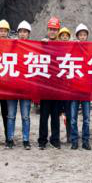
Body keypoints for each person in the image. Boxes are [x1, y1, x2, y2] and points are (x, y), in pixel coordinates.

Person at [6, 21, 33, 149]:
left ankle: (26, 140)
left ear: (28, 34)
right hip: (12, 87)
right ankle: (10, 139)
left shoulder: (33, 48)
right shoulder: (11, 46)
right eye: (21, 32)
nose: (23, 34)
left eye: (25, 32)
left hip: (26, 89)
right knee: (11, 115)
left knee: (26, 116)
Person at [38, 17, 62, 149]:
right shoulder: (42, 43)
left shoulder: (62, 45)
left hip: (57, 87)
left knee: (55, 116)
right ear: (47, 30)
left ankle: (55, 139)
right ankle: (42, 140)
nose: (52, 32)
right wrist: (42, 44)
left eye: (55, 29)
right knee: (44, 116)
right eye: (51, 29)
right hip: (45, 86)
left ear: (58, 30)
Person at [70, 24, 92, 150]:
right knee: (73, 118)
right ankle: (74, 140)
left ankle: (85, 140)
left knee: (87, 118)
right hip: (74, 89)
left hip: (86, 90)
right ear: (77, 36)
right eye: (80, 35)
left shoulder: (90, 49)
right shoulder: (72, 48)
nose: (83, 37)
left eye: (84, 35)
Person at [0, 20, 11, 139]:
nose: (3, 33)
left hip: (6, 86)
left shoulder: (13, 44)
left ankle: (8, 137)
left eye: (5, 31)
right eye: (1, 31)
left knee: (6, 114)